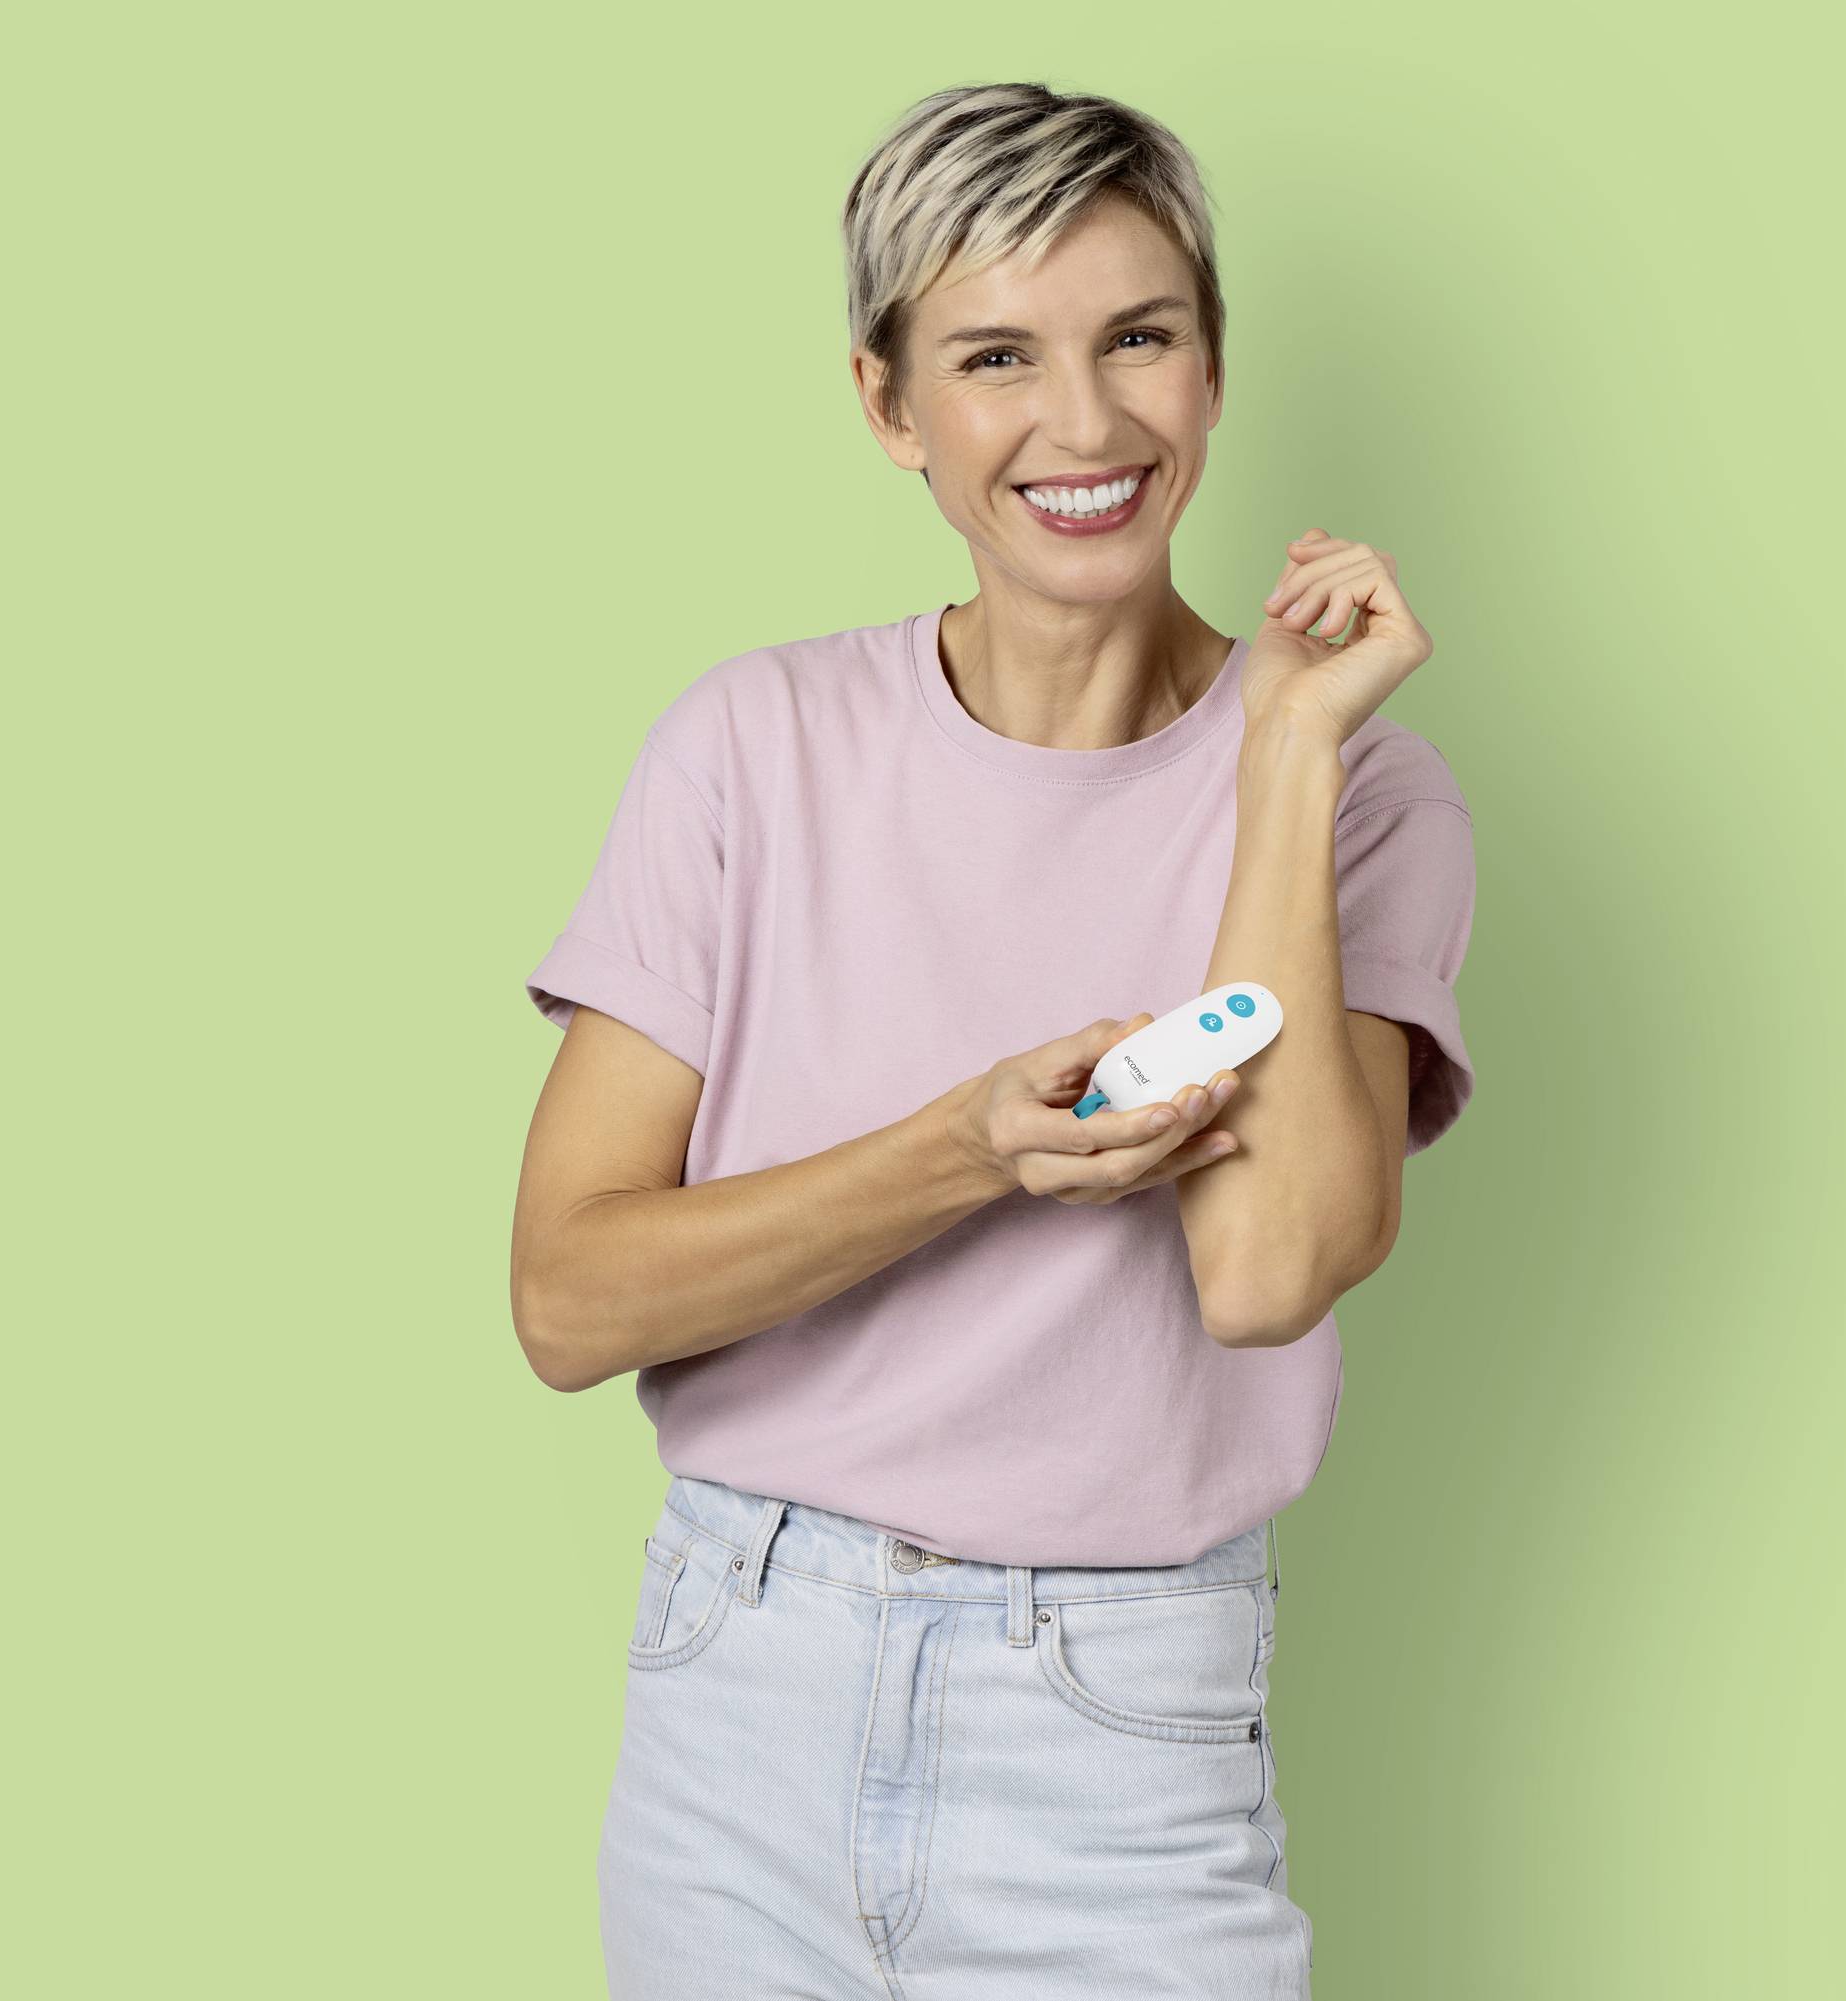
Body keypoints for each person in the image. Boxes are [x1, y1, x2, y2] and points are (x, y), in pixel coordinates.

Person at [516, 81, 1479, 2000]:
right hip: (742, 1687)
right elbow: (567, 1297)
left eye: (1141, 337)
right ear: (890, 407)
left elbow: (1268, 1271)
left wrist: (1285, 753)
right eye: (994, 357)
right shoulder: (750, 749)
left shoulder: (1371, 797)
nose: (1086, 424)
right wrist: (967, 1150)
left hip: (1118, 1722)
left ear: (1214, 367)